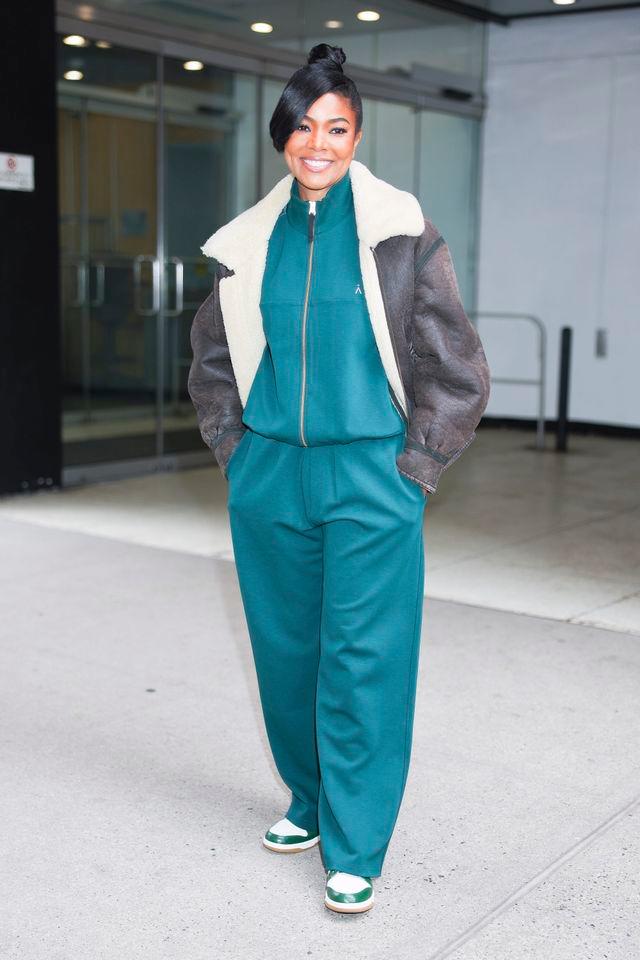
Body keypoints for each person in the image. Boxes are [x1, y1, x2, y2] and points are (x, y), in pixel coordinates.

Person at [188, 43, 491, 914]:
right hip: (271, 476)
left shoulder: (401, 234)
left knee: (362, 663)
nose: (317, 143)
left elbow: (458, 370)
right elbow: (212, 360)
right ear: (283, 135)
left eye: (337, 128)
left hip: (371, 476)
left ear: (357, 136)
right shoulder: (247, 242)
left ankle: (357, 842)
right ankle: (309, 800)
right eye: (304, 127)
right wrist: (238, 453)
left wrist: (415, 469)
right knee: (286, 657)